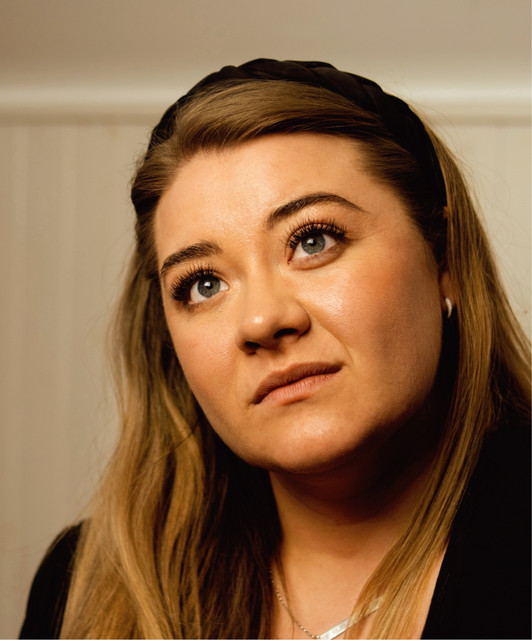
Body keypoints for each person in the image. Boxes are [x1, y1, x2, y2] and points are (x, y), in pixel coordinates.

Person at [20, 59, 530, 639]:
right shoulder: (81, 589)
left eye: (313, 241)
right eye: (203, 284)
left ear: (445, 258)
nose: (262, 320)